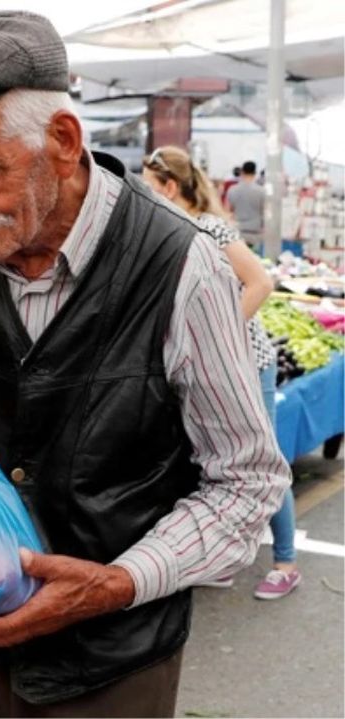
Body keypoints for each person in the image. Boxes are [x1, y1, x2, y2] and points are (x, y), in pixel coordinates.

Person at [0, 11, 290, 717]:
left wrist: (117, 582)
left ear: (63, 142)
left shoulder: (181, 266)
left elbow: (248, 482)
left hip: (112, 663)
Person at [142, 146, 299, 599]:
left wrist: (217, 337)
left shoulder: (208, 228)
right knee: (210, 459)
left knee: (259, 461)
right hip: (205, 369)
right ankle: (224, 557)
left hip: (249, 364)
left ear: (171, 188)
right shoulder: (168, 232)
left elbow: (261, 283)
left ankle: (286, 561)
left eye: (151, 190)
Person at [229, 160, 265, 246]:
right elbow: (265, 212)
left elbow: (228, 211)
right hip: (256, 233)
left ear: (242, 172)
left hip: (237, 232)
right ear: (255, 172)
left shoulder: (232, 190)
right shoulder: (262, 191)